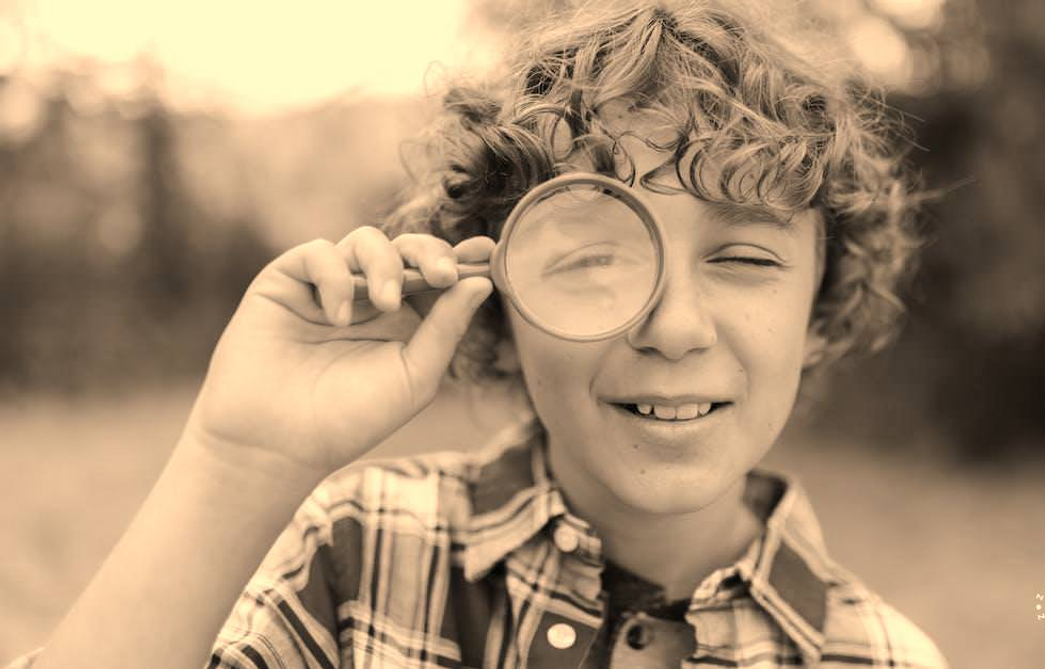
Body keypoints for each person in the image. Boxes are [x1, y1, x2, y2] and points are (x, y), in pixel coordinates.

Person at [9, 1, 947, 667]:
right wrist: (238, 460)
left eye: (744, 259)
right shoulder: (358, 558)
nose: (674, 325)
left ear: (820, 304)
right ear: (494, 296)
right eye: (593, 256)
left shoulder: (886, 658)